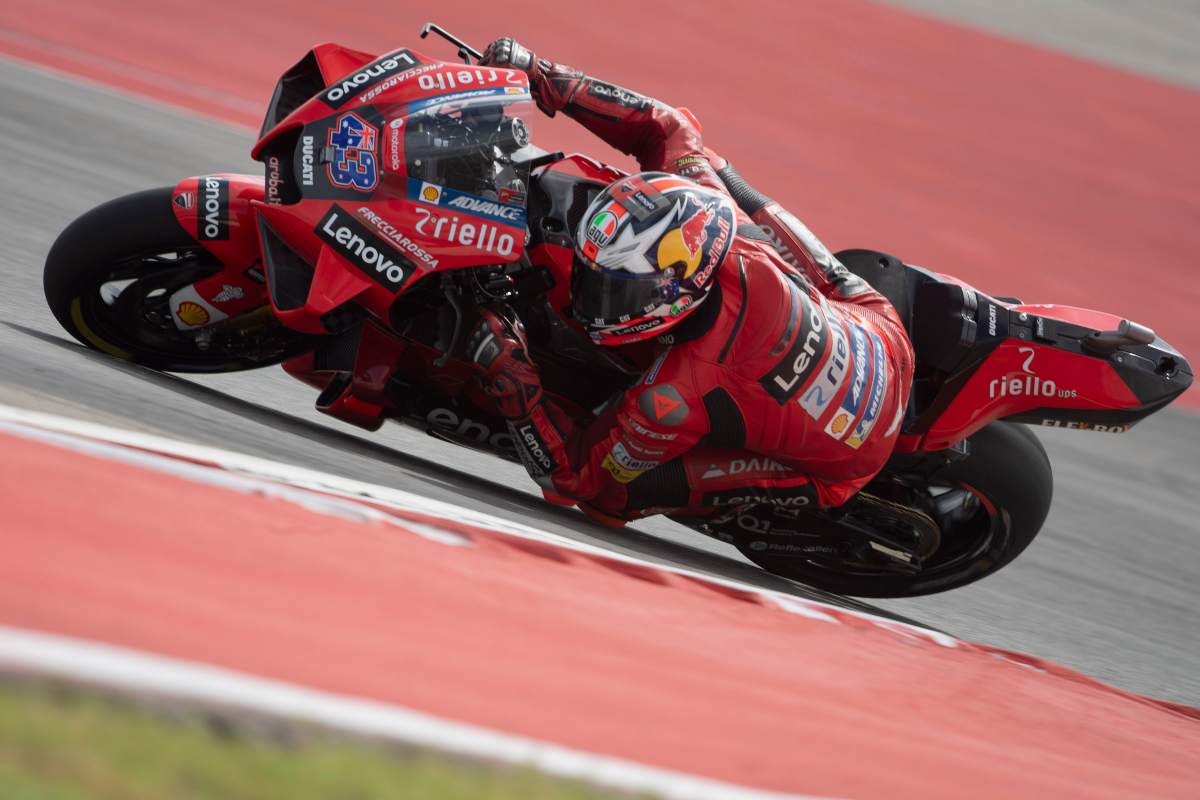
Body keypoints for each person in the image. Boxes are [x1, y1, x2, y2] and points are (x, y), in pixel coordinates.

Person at [467, 37, 915, 536]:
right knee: (718, 171)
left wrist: (520, 394)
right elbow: (667, 127)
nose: (591, 300)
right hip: (881, 328)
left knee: (612, 502)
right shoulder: (711, 214)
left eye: (613, 290)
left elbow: (575, 482)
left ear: (672, 296)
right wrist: (544, 77)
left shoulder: (674, 396)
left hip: (847, 460)